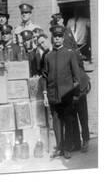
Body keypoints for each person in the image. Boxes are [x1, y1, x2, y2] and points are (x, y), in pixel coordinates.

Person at [52, 12, 90, 152]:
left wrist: (80, 84)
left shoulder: (73, 52)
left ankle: (85, 140)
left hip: (78, 87)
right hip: (69, 89)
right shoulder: (61, 53)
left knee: (82, 115)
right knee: (72, 116)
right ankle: (77, 143)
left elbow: (80, 68)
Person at [42, 25, 80, 159]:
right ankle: (59, 147)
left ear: (63, 38)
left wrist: (74, 94)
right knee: (56, 122)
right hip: (53, 96)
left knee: (68, 121)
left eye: (59, 37)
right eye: (55, 37)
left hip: (67, 96)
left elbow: (77, 77)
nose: (57, 39)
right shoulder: (48, 56)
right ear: (52, 38)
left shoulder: (70, 53)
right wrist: (45, 94)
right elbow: (44, 77)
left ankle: (68, 147)